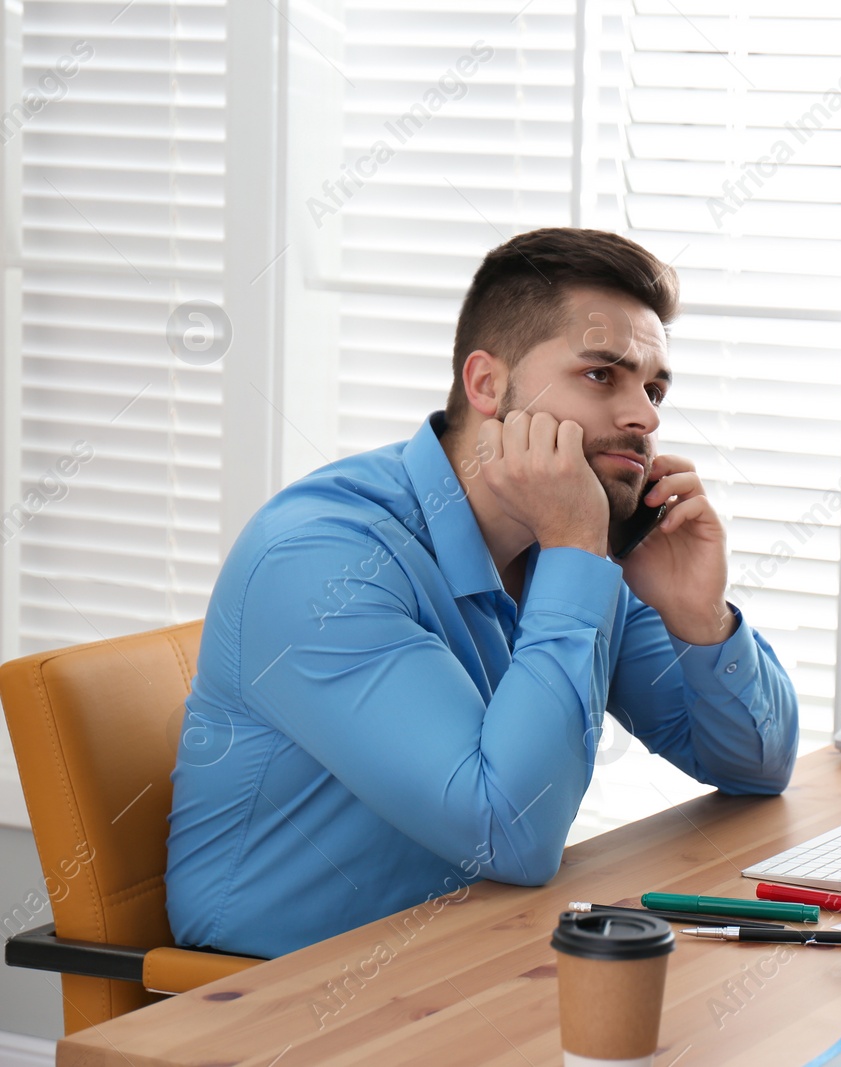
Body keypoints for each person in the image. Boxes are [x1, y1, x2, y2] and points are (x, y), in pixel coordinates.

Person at [165, 228, 799, 958]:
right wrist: (573, 552)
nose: (646, 417)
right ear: (487, 384)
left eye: (653, 388)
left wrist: (702, 619)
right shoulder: (321, 562)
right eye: (602, 375)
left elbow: (756, 767)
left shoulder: (568, 543)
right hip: (268, 1003)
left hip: (471, 953)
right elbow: (511, 832)